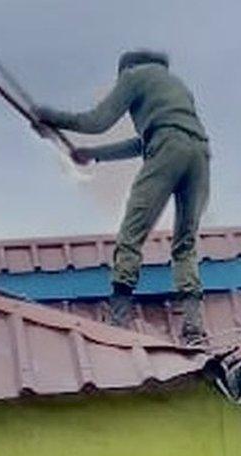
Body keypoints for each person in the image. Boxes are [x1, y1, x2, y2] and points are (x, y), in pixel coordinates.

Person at [34, 50, 211, 346]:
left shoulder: (133, 76)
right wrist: (93, 155)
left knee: (131, 233)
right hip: (200, 155)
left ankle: (119, 317)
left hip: (167, 148)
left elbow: (97, 122)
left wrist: (49, 117)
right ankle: (193, 328)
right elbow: (143, 142)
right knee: (185, 242)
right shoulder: (176, 85)